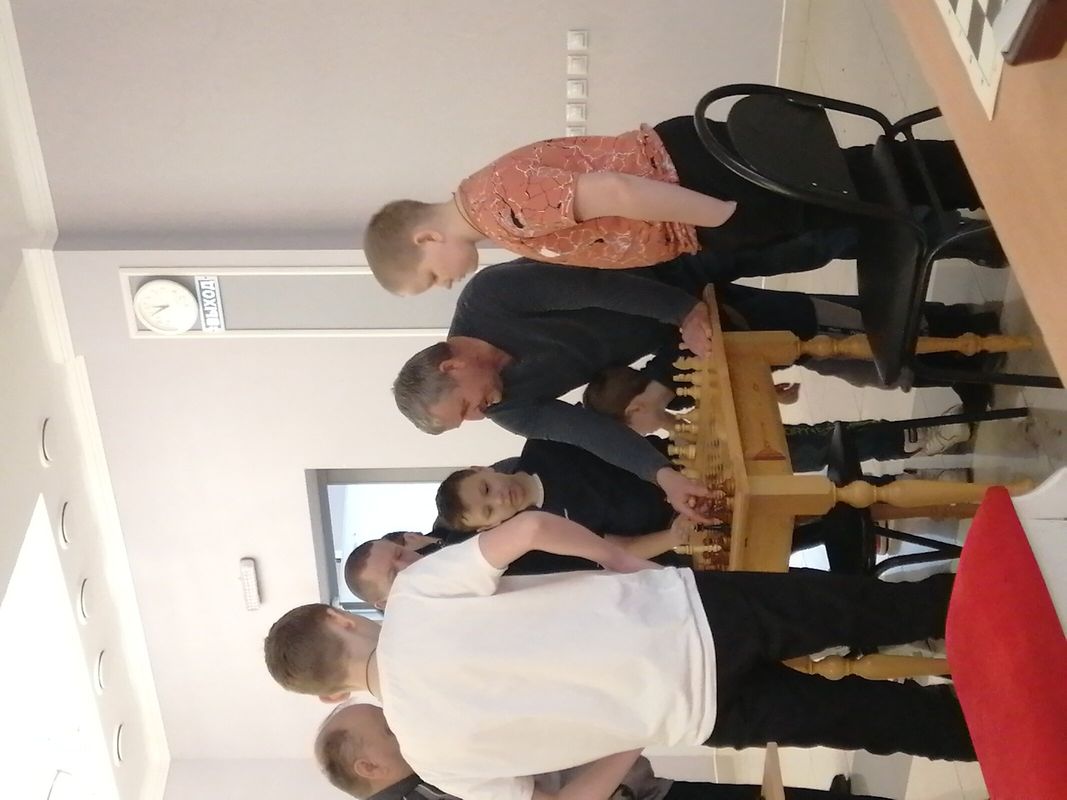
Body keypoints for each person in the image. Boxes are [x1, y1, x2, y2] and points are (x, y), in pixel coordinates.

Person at [264, 512, 975, 800]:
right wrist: (618, 558)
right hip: (687, 615)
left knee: (880, 722)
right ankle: (1011, 607)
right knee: (874, 611)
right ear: (338, 618)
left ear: (331, 694)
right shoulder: (415, 594)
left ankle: (1020, 726)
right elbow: (530, 528)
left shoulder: (435, 762)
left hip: (691, 713)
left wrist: (628, 732)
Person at [363, 116, 981, 294]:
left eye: (431, 279)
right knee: (850, 185)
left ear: (425, 240)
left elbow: (617, 192)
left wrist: (723, 217)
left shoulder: (502, 211)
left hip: (694, 189)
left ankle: (980, 178)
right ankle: (976, 175)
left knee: (854, 196)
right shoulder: (488, 199)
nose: (446, 285)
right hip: (687, 177)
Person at [316, 702, 885, 800]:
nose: (402, 722)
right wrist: (632, 730)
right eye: (387, 727)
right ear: (369, 766)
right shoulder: (426, 788)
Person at [583, 366, 972, 470]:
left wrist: (766, 395)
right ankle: (912, 441)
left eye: (631, 428)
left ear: (635, 410)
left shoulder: (672, 397)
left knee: (831, 439)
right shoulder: (666, 417)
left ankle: (913, 440)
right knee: (830, 444)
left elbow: (710, 416)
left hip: (761, 443)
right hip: (760, 453)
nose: (638, 434)